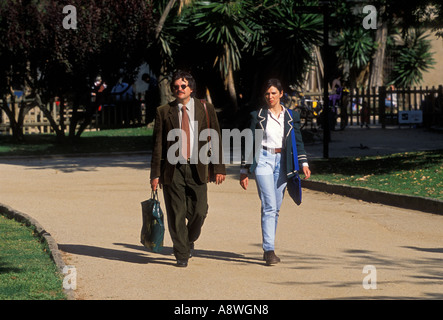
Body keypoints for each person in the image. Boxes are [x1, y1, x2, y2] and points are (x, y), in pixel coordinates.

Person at [150, 70, 226, 268]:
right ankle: (181, 253)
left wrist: (219, 168)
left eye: (183, 86)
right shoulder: (163, 111)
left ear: (191, 88)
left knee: (199, 211)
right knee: (176, 212)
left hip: (198, 167)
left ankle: (189, 238)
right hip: (172, 169)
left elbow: (215, 137)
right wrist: (155, 174)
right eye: (175, 87)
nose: (179, 89)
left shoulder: (205, 109)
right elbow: (158, 145)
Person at [239, 79, 311, 266]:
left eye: (273, 93)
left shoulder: (291, 116)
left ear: (281, 93)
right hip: (263, 159)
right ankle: (269, 250)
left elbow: (298, 141)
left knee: (275, 207)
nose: (270, 97)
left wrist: (303, 163)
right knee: (269, 204)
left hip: (283, 162)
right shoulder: (258, 116)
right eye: (267, 94)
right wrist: (244, 170)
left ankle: (268, 246)